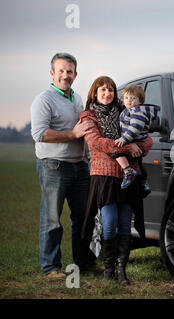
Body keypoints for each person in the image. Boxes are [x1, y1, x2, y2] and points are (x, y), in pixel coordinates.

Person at [30, 53, 98, 279]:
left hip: (80, 167)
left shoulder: (77, 98)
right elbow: (39, 134)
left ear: (75, 74)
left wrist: (86, 153)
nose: (65, 75)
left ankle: (84, 262)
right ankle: (51, 268)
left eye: (69, 71)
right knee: (52, 218)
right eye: (61, 71)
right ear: (52, 73)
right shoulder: (43, 100)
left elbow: (84, 130)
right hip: (54, 167)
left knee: (83, 217)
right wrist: (72, 134)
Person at [80, 76, 153, 285]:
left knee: (124, 225)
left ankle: (121, 271)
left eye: (110, 90)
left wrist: (140, 146)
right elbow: (97, 142)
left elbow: (147, 139)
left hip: (128, 178)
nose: (107, 93)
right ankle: (108, 268)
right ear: (95, 93)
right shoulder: (88, 117)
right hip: (104, 177)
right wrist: (127, 147)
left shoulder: (128, 112)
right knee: (109, 223)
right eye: (102, 90)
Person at [112, 84, 153, 197]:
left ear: (140, 101)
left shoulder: (137, 112)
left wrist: (124, 139)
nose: (129, 100)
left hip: (135, 140)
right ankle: (143, 182)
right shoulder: (127, 111)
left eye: (133, 98)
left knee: (116, 152)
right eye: (126, 98)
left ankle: (129, 171)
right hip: (132, 140)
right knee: (138, 163)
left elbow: (135, 128)